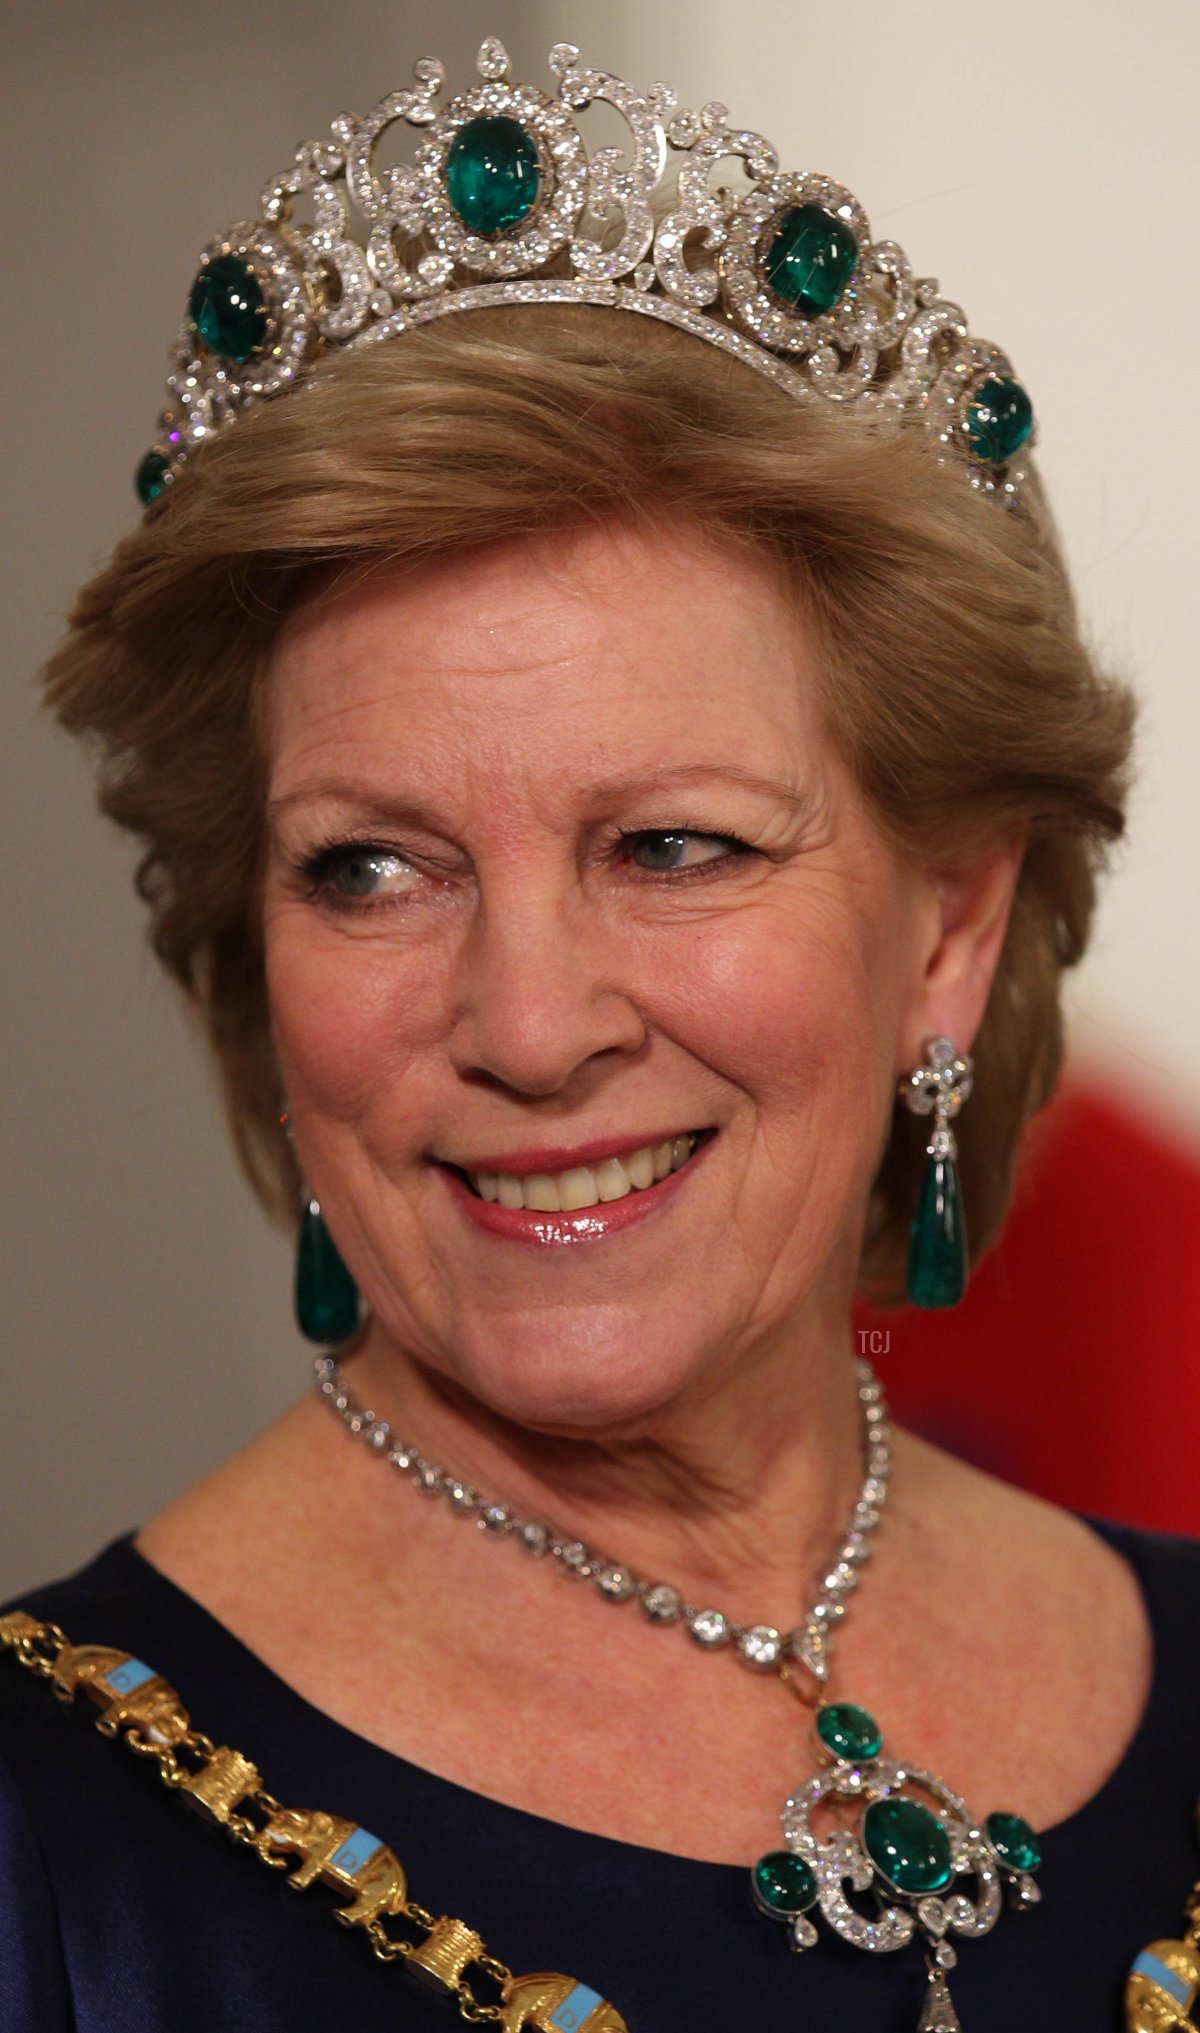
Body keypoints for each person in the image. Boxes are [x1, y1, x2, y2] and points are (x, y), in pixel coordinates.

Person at [3, 36, 1198, 2033]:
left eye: (673, 844)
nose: (531, 1027)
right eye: (373, 870)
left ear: (950, 932)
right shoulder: (44, 1858)